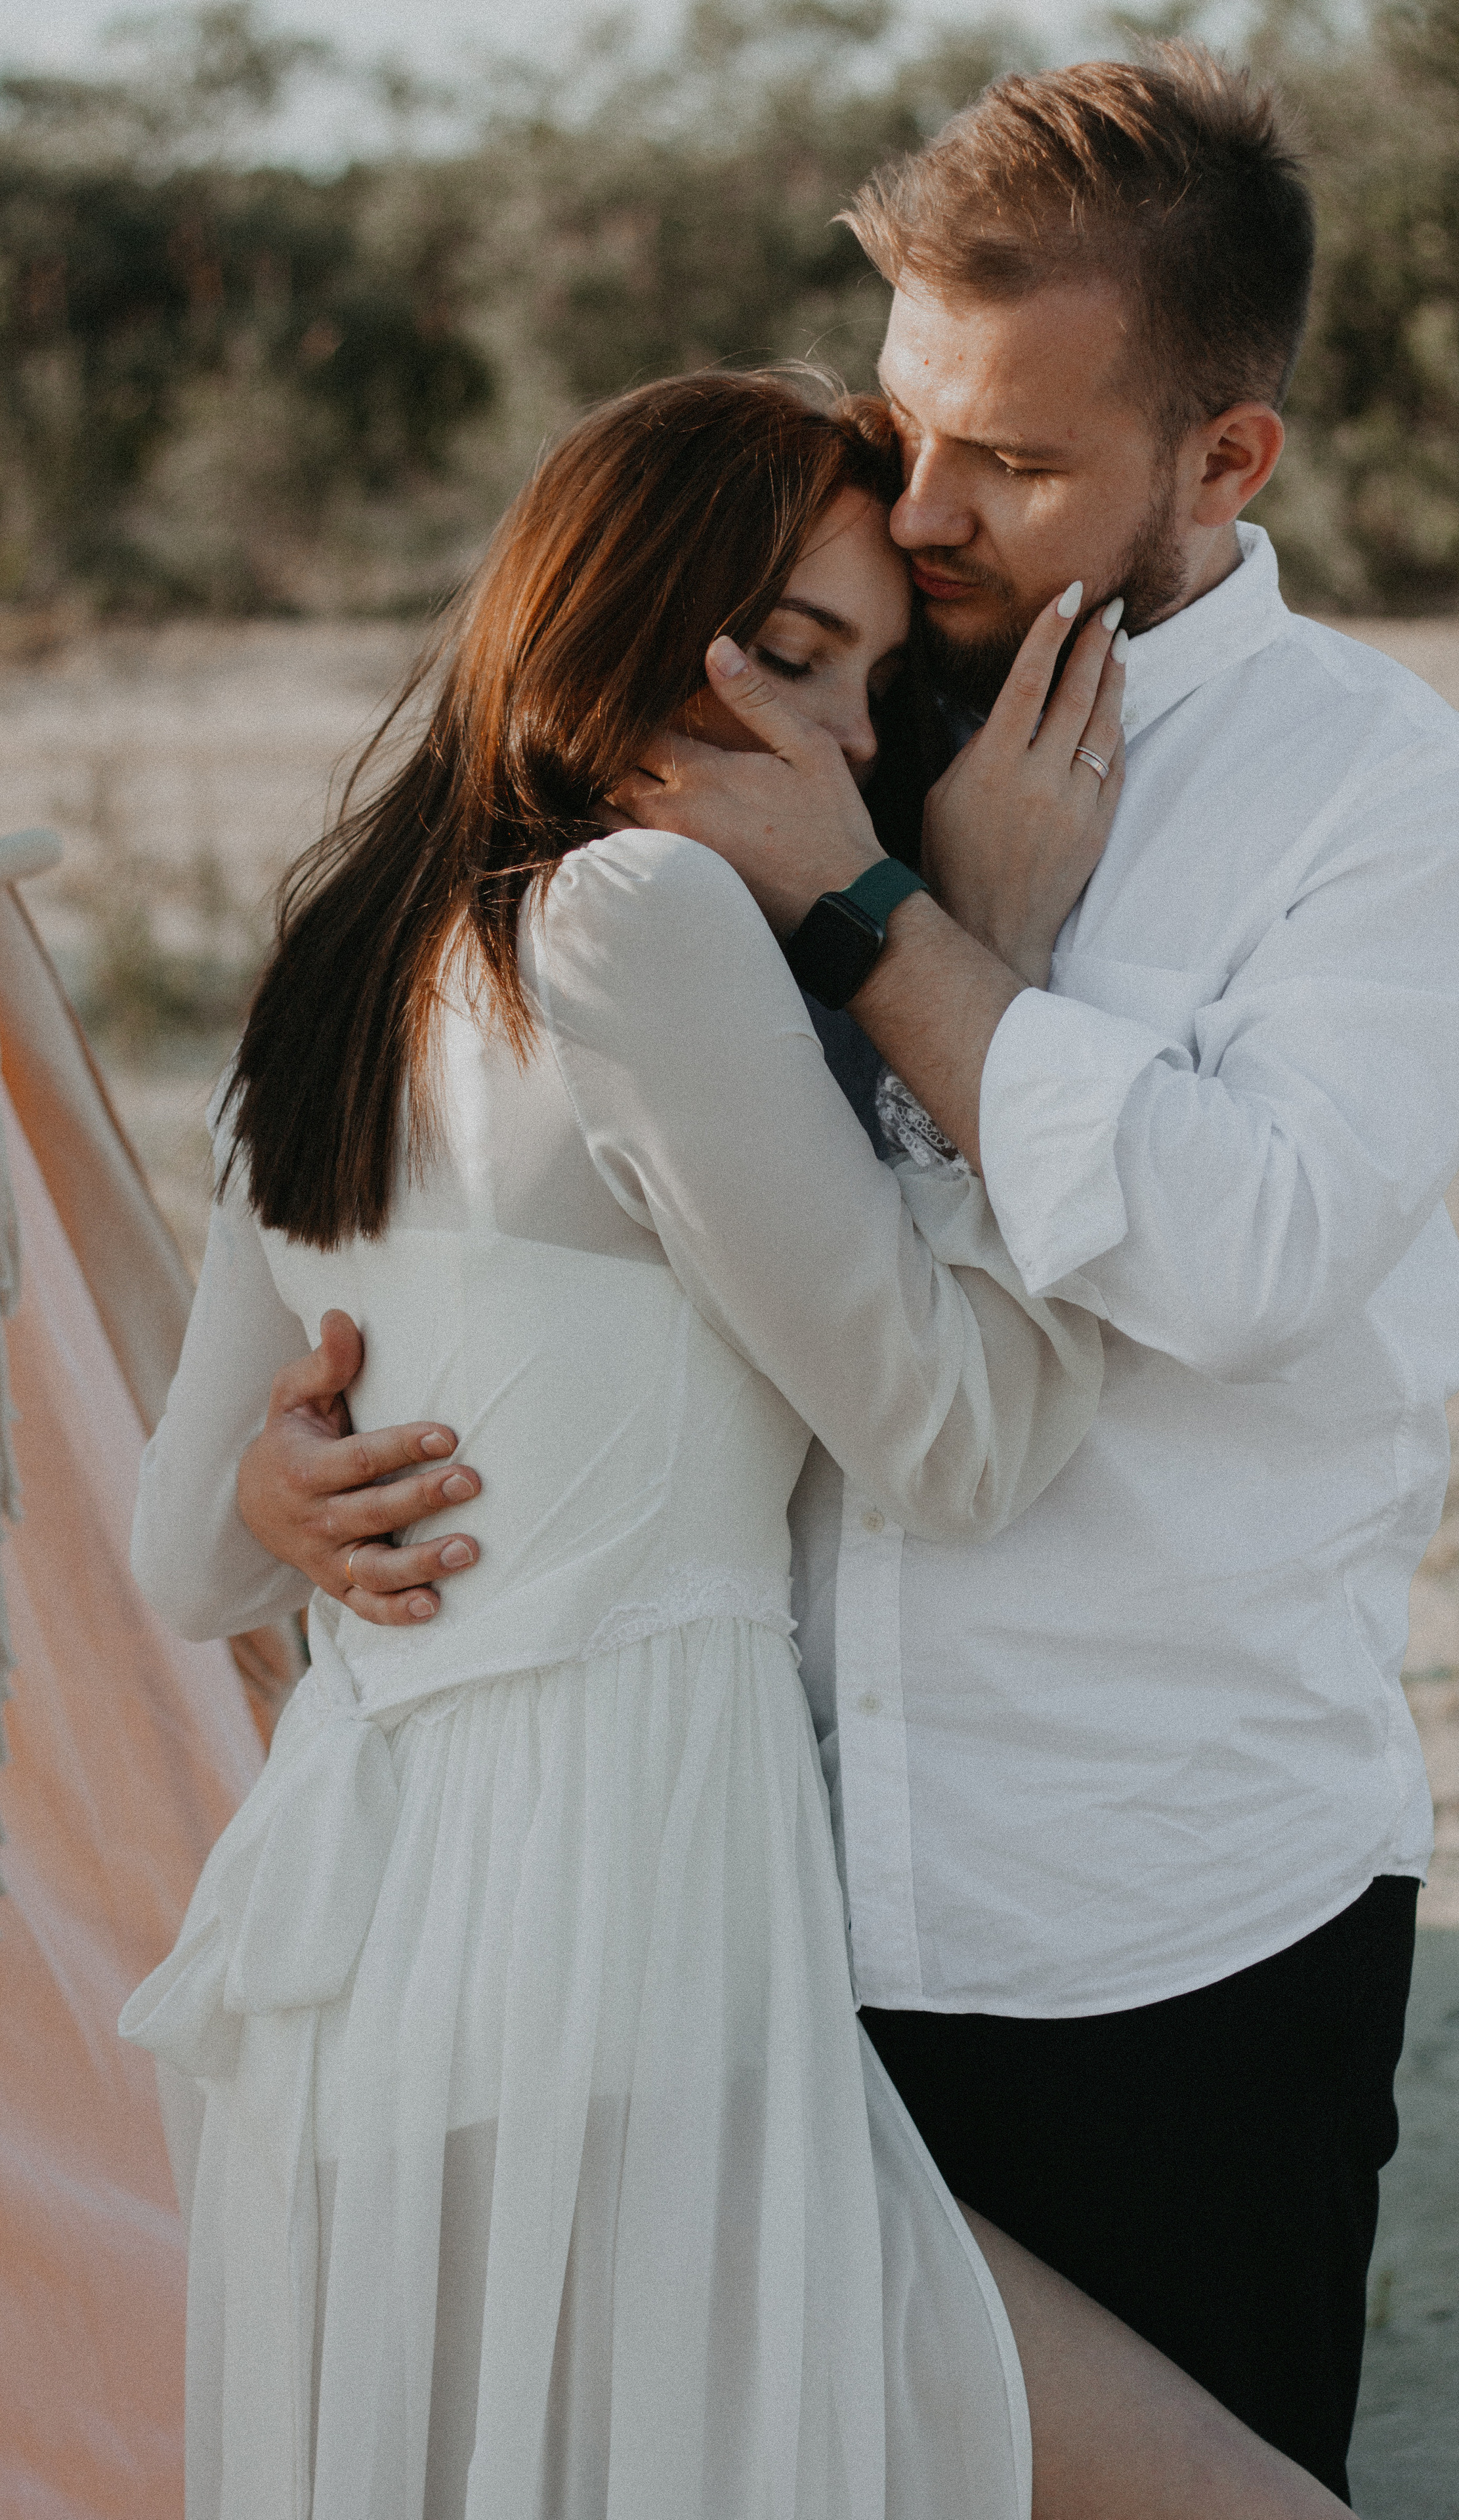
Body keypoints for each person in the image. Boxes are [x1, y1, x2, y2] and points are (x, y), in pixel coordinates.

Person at [243, 45, 1459, 2504]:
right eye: (911, 422)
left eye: (1025, 467)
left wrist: (896, 928)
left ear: (1230, 460)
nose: (929, 512)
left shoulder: (1399, 809)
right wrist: (306, 1451)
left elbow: (1247, 1254)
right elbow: (537, 1160)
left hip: (1162, 1910)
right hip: (735, 1909)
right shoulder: (790, 677)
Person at [120, 371, 1350, 2520]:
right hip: (619, 1973)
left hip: (378, 1969)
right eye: (792, 661)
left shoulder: (352, 950)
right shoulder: (641, 920)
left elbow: (181, 1569)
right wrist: (997, 951)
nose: (856, 746)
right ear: (615, 626)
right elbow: (951, 1452)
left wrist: (269, 1496)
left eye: (877, 679)